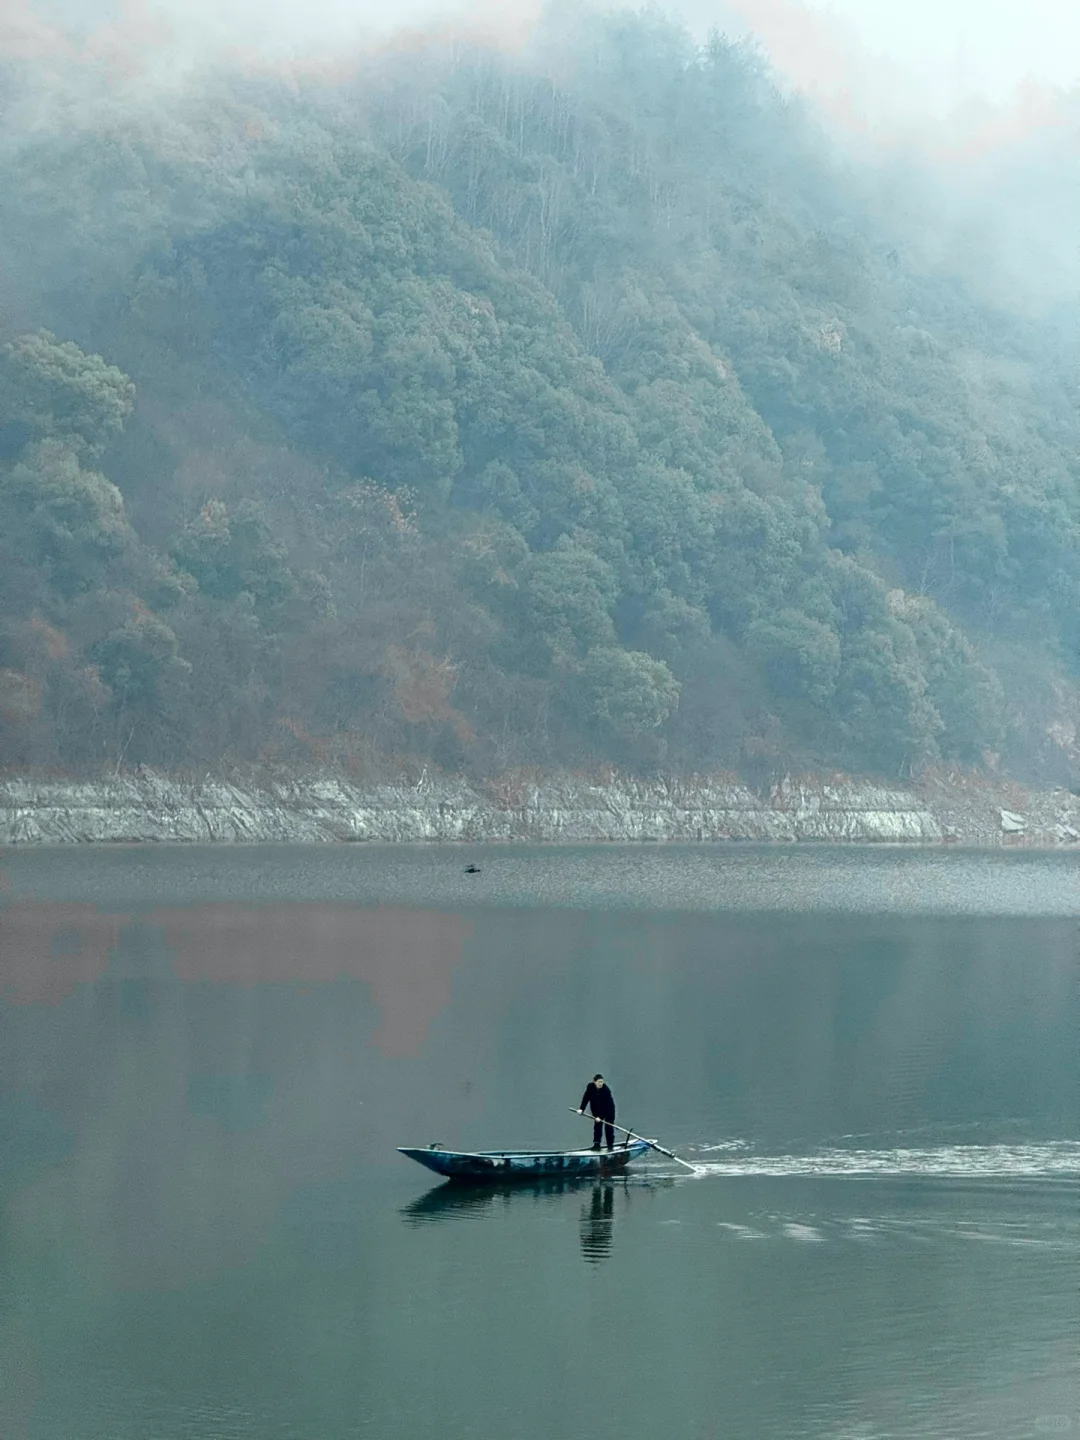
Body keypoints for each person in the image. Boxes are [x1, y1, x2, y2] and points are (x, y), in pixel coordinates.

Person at [578, 1073, 616, 1150]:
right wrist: (582, 1109)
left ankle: (610, 1146)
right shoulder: (590, 1088)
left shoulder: (606, 1090)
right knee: (597, 1127)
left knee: (608, 1128)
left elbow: (606, 1105)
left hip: (609, 1110)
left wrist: (600, 1117)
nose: (600, 1084)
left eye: (602, 1082)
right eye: (599, 1082)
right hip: (597, 1111)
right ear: (594, 1082)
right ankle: (597, 1144)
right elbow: (586, 1098)